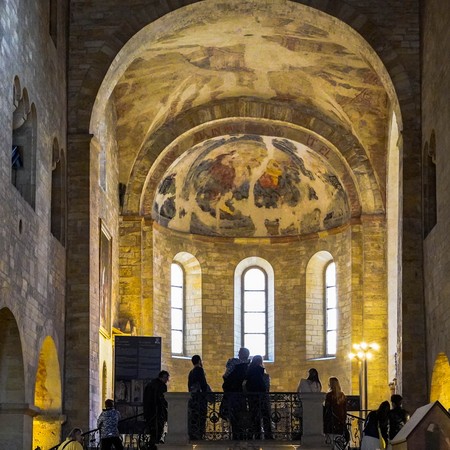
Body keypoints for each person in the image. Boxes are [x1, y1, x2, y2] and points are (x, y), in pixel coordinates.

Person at [222, 347, 250, 439]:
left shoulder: (234, 364)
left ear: (241, 354)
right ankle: (242, 435)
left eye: (239, 353)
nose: (238, 354)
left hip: (232, 394)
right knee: (241, 416)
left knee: (233, 416)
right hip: (242, 396)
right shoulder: (248, 366)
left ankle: (236, 435)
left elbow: (226, 375)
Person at [245, 355, 273, 440]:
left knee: (254, 416)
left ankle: (256, 435)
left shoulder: (248, 372)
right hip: (261, 397)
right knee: (265, 416)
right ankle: (267, 435)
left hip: (252, 398)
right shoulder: (259, 372)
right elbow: (264, 387)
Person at [143, 370, 170, 450]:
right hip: (157, 413)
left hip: (149, 413)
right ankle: (154, 447)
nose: (167, 380)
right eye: (166, 378)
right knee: (157, 432)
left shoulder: (150, 384)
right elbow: (162, 400)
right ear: (163, 377)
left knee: (153, 432)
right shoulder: (162, 386)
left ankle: (152, 446)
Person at [188, 355, 212, 440]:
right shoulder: (199, 370)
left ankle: (194, 434)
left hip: (193, 398)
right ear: (199, 361)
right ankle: (200, 435)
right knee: (201, 417)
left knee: (194, 417)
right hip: (200, 398)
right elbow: (203, 384)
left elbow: (189, 386)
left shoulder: (191, 372)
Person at [323, 377, 347, 447]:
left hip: (331, 422)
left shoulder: (329, 396)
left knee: (330, 443)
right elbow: (345, 409)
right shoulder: (342, 395)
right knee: (338, 444)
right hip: (340, 422)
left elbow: (327, 409)